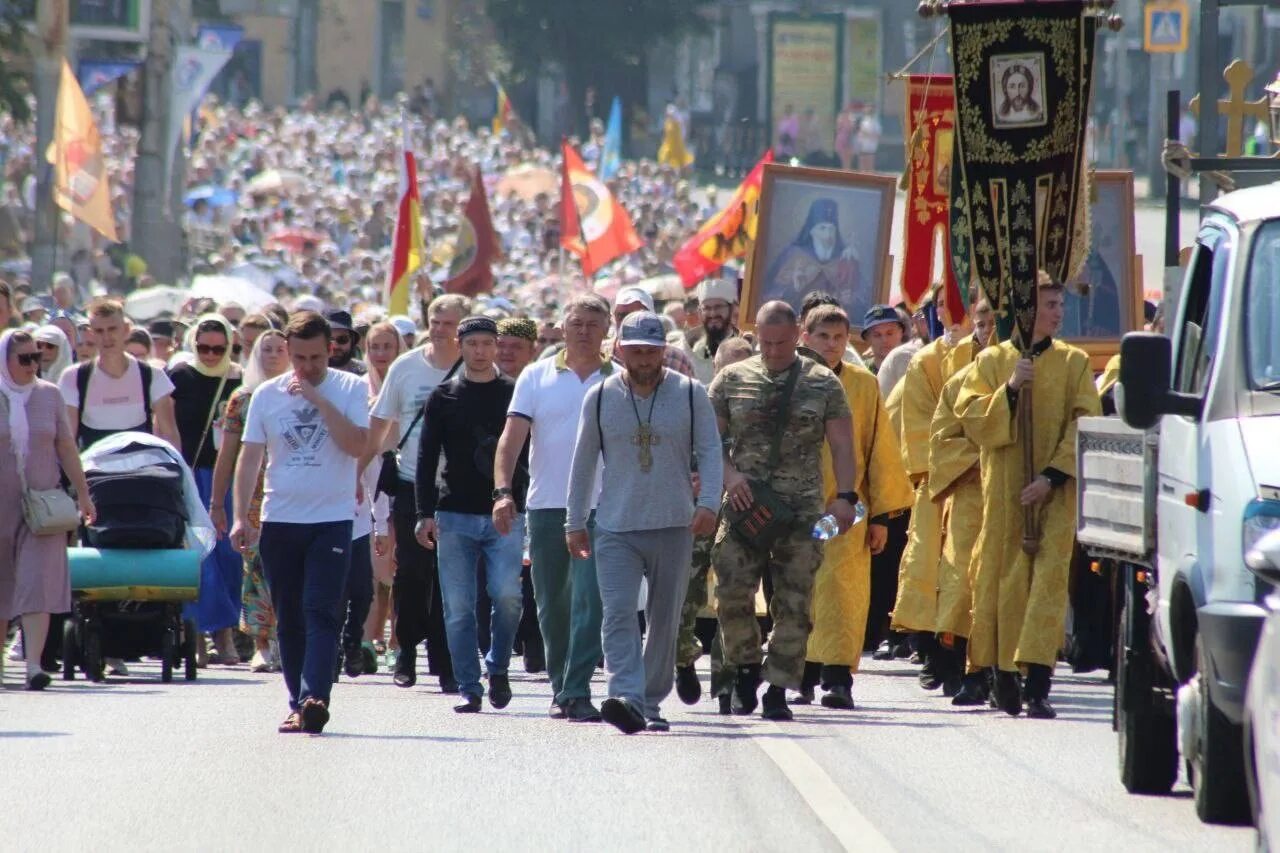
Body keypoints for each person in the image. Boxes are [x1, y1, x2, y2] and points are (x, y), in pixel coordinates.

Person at [566, 311, 722, 733]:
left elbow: (710, 451)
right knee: (617, 613)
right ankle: (626, 696)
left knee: (664, 619)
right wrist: (574, 521)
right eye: (635, 351)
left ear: (663, 351)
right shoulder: (599, 397)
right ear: (619, 350)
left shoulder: (691, 394)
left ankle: (650, 700)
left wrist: (709, 503)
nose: (644, 360)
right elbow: (582, 464)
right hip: (615, 526)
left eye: (652, 352)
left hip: (674, 524)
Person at [956, 275, 1101, 718]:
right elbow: (970, 416)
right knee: (1004, 580)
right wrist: (1012, 390)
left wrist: (1052, 476)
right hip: (1006, 491)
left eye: (1060, 304)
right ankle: (1002, 676)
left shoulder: (1074, 362)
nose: (1058, 312)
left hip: (1054, 494)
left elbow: (1085, 422)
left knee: (1048, 585)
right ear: (1024, 309)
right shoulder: (994, 360)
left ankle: (1038, 682)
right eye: (1049, 304)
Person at [709, 301, 860, 721]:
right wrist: (729, 477)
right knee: (732, 594)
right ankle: (744, 667)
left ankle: (778, 687)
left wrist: (846, 496)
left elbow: (844, 445)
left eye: (781, 341)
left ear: (797, 333)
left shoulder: (823, 383)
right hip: (743, 508)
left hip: (801, 514)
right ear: (754, 334)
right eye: (765, 341)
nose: (773, 350)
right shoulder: (731, 380)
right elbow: (706, 443)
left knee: (795, 603)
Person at [231, 311, 370, 735]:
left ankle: (316, 697)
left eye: (315, 357)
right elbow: (250, 457)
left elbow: (356, 445)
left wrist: (318, 400)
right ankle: (297, 701)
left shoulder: (351, 388)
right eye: (299, 358)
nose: (307, 367)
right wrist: (240, 517)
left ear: (331, 349)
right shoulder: (267, 396)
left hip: (331, 518)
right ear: (288, 353)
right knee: (289, 617)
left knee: (322, 611)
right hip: (280, 519)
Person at [492, 293, 613, 722]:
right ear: (562, 327)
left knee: (591, 601)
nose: (583, 331)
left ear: (606, 330)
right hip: (546, 506)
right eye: (576, 322)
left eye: (593, 324)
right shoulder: (536, 376)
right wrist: (503, 491)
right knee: (551, 603)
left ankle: (578, 687)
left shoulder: (617, 378)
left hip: (602, 508)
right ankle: (562, 687)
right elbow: (511, 439)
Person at [798, 305, 913, 708]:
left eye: (839, 338)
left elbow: (879, 449)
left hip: (847, 508)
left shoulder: (863, 385)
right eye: (823, 337)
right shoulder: (788, 379)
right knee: (801, 589)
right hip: (796, 509)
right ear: (804, 336)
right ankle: (801, 673)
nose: (831, 345)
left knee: (842, 590)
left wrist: (881, 516)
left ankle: (837, 678)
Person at [413, 317, 527, 713]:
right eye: (472, 343)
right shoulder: (443, 396)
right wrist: (423, 512)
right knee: (458, 607)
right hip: (454, 513)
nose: (480, 351)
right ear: (460, 346)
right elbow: (426, 458)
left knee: (507, 595)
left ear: (497, 347)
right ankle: (468, 684)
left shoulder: (516, 394)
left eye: (487, 343)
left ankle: (497, 667)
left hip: (506, 513)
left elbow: (528, 452)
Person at [365, 294, 467, 691]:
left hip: (459, 488)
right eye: (434, 321)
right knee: (411, 572)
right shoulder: (406, 368)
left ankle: (445, 661)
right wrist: (359, 471)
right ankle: (406, 650)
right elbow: (379, 425)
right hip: (412, 483)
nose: (438, 329)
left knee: (450, 576)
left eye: (447, 323)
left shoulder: (475, 368)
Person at [887, 295, 977, 685]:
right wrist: (953, 466)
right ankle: (931, 653)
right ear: (937, 312)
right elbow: (920, 427)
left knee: (970, 568)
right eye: (946, 305)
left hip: (986, 482)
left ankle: (975, 657)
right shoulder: (925, 362)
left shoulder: (995, 357)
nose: (954, 313)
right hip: (936, 481)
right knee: (929, 563)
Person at [0, 330, 95, 689]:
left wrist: (83, 494)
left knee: (37, 579)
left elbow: (66, 447)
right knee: (3, 583)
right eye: (23, 358)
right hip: (2, 503)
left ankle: (33, 664)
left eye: (36, 357)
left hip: (42, 506)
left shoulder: (49, 395)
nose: (31, 365)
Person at [674, 334, 753, 710]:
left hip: (740, 513)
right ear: (717, 368)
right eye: (730, 365)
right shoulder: (694, 403)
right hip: (698, 512)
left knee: (734, 596)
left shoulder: (760, 406)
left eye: (745, 363)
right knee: (685, 592)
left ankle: (728, 682)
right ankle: (684, 658)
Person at [211, 328, 289, 673]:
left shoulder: (300, 395)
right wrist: (217, 503)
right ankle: (262, 644)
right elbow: (227, 455)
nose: (272, 355)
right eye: (266, 349)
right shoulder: (241, 400)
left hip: (290, 493)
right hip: (252, 497)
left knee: (288, 571)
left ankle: (287, 640)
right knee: (255, 569)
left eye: (279, 349)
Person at [168, 314, 244, 666]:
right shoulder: (179, 378)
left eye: (218, 348)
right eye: (203, 347)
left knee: (229, 555)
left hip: (229, 476)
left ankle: (225, 632)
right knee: (200, 557)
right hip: (190, 475)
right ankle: (197, 633)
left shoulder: (241, 380)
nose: (211, 355)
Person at [930, 300, 995, 703]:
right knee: (962, 584)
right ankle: (961, 668)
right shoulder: (960, 382)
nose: (989, 330)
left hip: (1020, 499)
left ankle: (1000, 671)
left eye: (997, 323)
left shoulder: (1040, 374)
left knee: (1003, 585)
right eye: (983, 323)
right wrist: (984, 458)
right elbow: (941, 441)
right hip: (971, 494)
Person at [60, 297, 180, 451]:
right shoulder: (73, 378)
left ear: (126, 330)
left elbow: (170, 435)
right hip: (94, 472)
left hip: (142, 471)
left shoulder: (153, 376)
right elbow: (69, 441)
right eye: (99, 331)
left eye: (112, 329)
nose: (107, 337)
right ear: (91, 333)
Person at [360, 321, 404, 671]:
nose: (380, 353)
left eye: (387, 346)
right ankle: (367, 641)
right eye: (375, 346)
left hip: (400, 480)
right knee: (373, 571)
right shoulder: (356, 387)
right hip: (367, 480)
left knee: (399, 569)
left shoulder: (406, 383)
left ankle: (397, 640)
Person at [765, 200, 865, 316]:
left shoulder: (846, 259)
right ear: (811, 231)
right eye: (822, 228)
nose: (827, 236)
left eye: (831, 229)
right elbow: (770, 294)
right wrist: (793, 288)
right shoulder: (793, 255)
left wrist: (850, 300)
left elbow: (862, 297)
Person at [610, 287, 695, 378]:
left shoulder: (674, 358)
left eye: (637, 315)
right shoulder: (599, 356)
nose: (629, 322)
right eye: (622, 315)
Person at [683, 277, 738, 385]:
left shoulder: (747, 344)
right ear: (699, 312)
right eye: (707, 308)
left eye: (718, 307)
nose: (713, 314)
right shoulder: (687, 346)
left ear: (732, 309)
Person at [859, 304, 906, 379]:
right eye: (877, 335)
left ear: (901, 333)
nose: (884, 340)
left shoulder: (912, 370)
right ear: (867, 338)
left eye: (889, 333)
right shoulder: (859, 372)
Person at [326, 310, 367, 375]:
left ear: (352, 341)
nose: (335, 346)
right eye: (329, 340)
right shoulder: (310, 374)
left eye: (342, 339)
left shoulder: (365, 373)